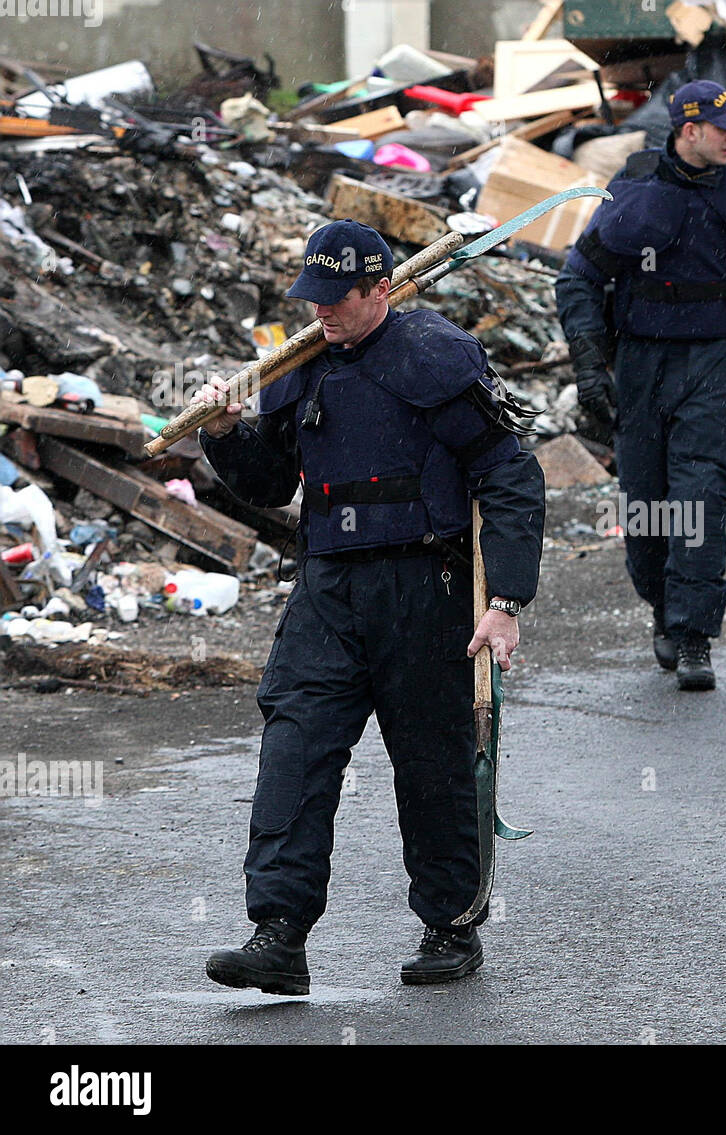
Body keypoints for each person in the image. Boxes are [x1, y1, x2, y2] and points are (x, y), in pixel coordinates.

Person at [193, 219, 544, 992]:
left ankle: (450, 925)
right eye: (310, 297)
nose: (320, 311)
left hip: (425, 586)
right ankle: (278, 934)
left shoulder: (437, 358)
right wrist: (225, 433)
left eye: (336, 298)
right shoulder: (302, 364)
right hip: (327, 586)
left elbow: (508, 474)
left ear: (381, 288)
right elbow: (267, 484)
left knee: (431, 760)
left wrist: (508, 598)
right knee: (296, 746)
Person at [555, 79, 726, 691]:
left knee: (699, 498)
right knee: (646, 505)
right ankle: (663, 609)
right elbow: (580, 278)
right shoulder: (636, 191)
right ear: (687, 131)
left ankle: (695, 635)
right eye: (723, 129)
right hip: (641, 365)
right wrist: (590, 366)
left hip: (712, 363)